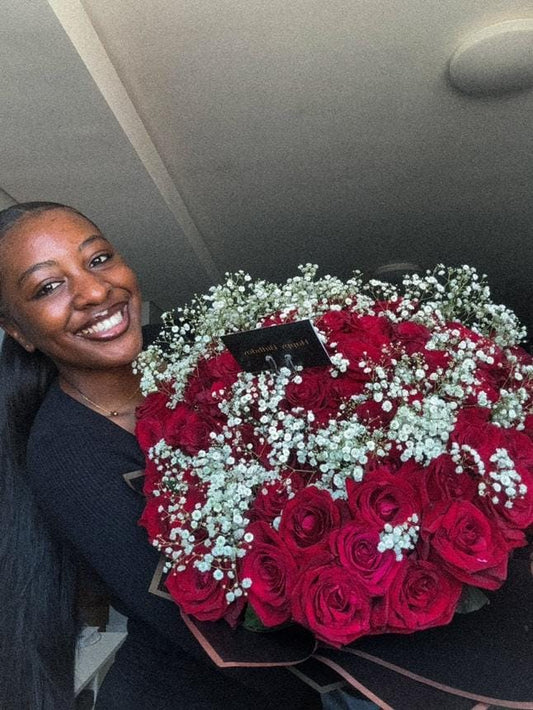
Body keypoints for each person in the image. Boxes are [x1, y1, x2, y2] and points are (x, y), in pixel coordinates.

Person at [0, 202, 322, 710]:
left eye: (99, 259)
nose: (94, 291)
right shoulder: (67, 459)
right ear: (19, 331)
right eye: (48, 287)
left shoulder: (190, 345)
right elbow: (208, 625)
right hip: (220, 689)